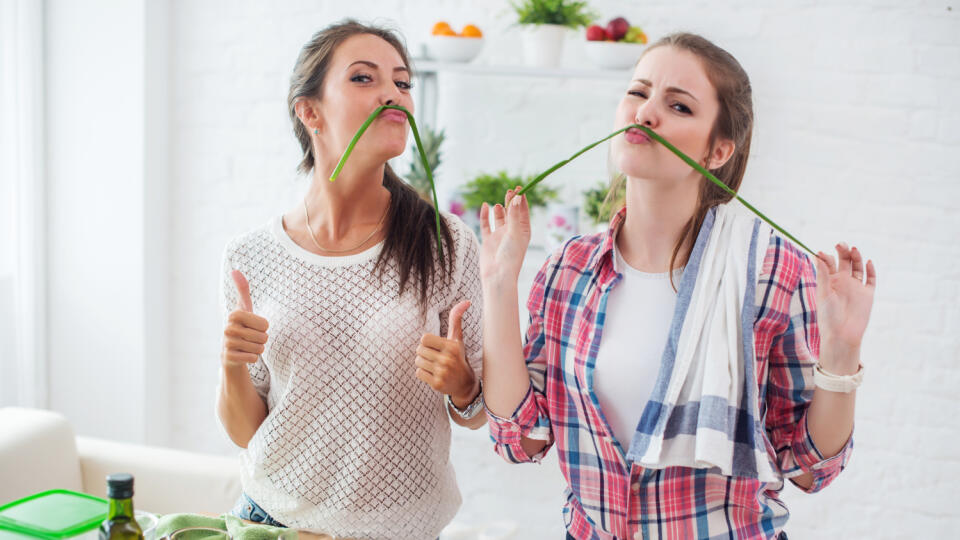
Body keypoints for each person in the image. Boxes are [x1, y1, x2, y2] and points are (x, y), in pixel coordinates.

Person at [480, 32, 876, 540]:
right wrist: (498, 284)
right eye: (637, 93)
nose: (646, 113)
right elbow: (521, 438)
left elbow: (809, 469)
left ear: (717, 151)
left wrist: (842, 352)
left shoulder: (773, 271)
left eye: (678, 106)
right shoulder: (569, 269)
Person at [216, 20, 485, 539]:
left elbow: (475, 414)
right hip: (271, 522)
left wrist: (463, 383)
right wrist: (232, 363)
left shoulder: (445, 243)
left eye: (403, 82)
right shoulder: (248, 255)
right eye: (364, 78)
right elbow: (246, 430)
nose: (393, 94)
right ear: (309, 111)